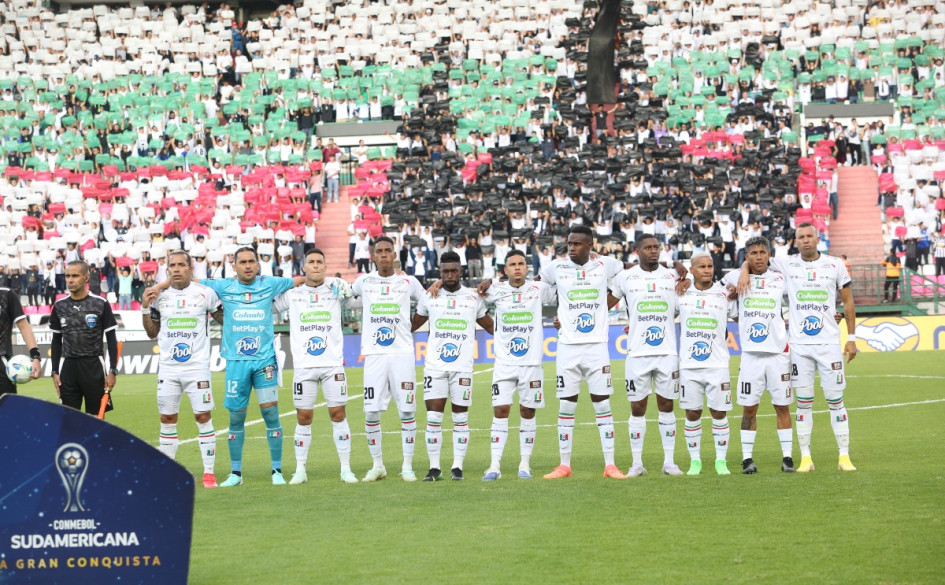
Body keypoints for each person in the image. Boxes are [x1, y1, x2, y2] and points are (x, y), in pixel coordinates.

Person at [153, 247, 303, 487]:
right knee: (236, 418)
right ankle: (236, 474)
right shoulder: (222, 286)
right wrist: (159, 288)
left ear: (258, 264)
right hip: (235, 362)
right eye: (242, 262)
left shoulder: (271, 283)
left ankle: (277, 470)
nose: (247, 265)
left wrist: (325, 280)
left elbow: (299, 280)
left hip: (264, 360)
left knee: (271, 413)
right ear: (233, 266)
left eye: (251, 261)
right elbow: (189, 279)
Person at [739, 222, 858, 472]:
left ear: (817, 238)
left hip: (829, 344)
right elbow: (755, 259)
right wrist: (742, 270)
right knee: (803, 403)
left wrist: (852, 338)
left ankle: (844, 456)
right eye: (800, 237)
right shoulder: (786, 263)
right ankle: (805, 458)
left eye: (809, 236)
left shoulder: (835, 264)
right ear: (795, 241)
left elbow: (847, 302)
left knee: (836, 400)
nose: (805, 240)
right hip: (799, 346)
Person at [516, 225, 626, 479]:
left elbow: (627, 280)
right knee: (566, 405)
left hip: (597, 346)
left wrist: (603, 308)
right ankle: (564, 465)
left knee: (602, 403)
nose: (571, 248)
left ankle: (610, 464)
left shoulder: (606, 265)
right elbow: (535, 289)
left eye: (577, 244)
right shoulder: (556, 267)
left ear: (590, 246)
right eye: (569, 243)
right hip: (567, 347)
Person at [272, 249, 358, 484]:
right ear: (305, 267)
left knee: (338, 414)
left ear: (325, 266)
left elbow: (358, 301)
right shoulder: (293, 295)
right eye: (311, 262)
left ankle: (346, 468)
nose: (316, 265)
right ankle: (300, 470)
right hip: (304, 367)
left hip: (332, 365)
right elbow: (268, 308)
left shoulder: (335, 290)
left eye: (320, 262)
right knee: (303, 416)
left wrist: (349, 286)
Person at [141, 250, 223, 489]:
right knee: (167, 419)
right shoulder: (160, 297)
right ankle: (168, 473)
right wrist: (146, 307)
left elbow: (224, 319)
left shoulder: (205, 294)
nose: (176, 269)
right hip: (168, 370)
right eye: (172, 265)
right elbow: (151, 332)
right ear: (167, 270)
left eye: (180, 265)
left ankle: (209, 474)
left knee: (203, 417)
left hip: (197, 369)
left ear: (190, 269)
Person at [411, 252, 493, 481]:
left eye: (453, 270)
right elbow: (411, 325)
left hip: (463, 367)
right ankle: (434, 467)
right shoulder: (430, 296)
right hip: (435, 366)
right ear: (440, 272)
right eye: (445, 271)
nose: (449, 275)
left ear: (461, 271)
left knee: (460, 418)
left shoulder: (473, 298)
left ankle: (457, 467)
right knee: (434, 418)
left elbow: (491, 327)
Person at [351, 236, 427, 482]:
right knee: (371, 412)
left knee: (407, 410)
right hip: (373, 355)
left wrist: (410, 327)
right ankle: (378, 465)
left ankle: (407, 466)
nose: (384, 255)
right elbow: (343, 295)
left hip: (402, 354)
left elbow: (427, 305)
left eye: (387, 251)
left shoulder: (408, 281)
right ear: (373, 256)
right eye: (379, 251)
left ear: (395, 255)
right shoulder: (363, 281)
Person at [610, 234, 683, 477]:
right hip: (637, 353)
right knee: (637, 406)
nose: (654, 251)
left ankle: (669, 462)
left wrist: (676, 265)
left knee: (666, 405)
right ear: (637, 250)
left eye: (657, 248)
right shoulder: (625, 277)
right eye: (648, 248)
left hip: (667, 352)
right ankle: (637, 463)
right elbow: (603, 304)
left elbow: (681, 304)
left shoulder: (673, 276)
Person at [722, 237, 795, 474]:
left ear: (769, 254)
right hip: (751, 356)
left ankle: (787, 458)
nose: (759, 256)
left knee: (782, 406)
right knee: (749, 408)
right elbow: (717, 295)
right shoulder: (735, 277)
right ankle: (747, 459)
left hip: (778, 354)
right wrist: (742, 274)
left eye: (763, 252)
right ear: (747, 256)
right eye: (753, 253)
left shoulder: (780, 277)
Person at [481, 250, 554, 479]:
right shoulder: (495, 290)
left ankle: (524, 465)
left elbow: (564, 288)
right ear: (505, 270)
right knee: (501, 410)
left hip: (531, 363)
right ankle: (494, 466)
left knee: (527, 411)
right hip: (504, 364)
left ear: (527, 267)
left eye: (521, 263)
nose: (517, 267)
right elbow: (465, 296)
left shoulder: (539, 289)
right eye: (512, 264)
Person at [678, 252, 736, 476]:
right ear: (691, 270)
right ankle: (695, 461)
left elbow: (745, 316)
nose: (707, 270)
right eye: (701, 266)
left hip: (718, 365)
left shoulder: (724, 295)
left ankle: (721, 461)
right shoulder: (681, 293)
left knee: (719, 413)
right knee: (692, 413)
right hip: (689, 366)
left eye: (710, 266)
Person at [50, 261, 119, 414]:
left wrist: (113, 370)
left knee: (95, 419)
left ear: (86, 277)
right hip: (68, 368)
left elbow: (111, 339)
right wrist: (54, 371)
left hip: (94, 366)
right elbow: (56, 341)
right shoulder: (59, 306)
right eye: (67, 276)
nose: (70, 280)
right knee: (69, 419)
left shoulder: (100, 303)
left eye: (75, 275)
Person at [0, 283, 42, 395]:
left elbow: (23, 325)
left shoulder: (6, 294)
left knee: (6, 410)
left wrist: (35, 356)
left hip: (1, 364)